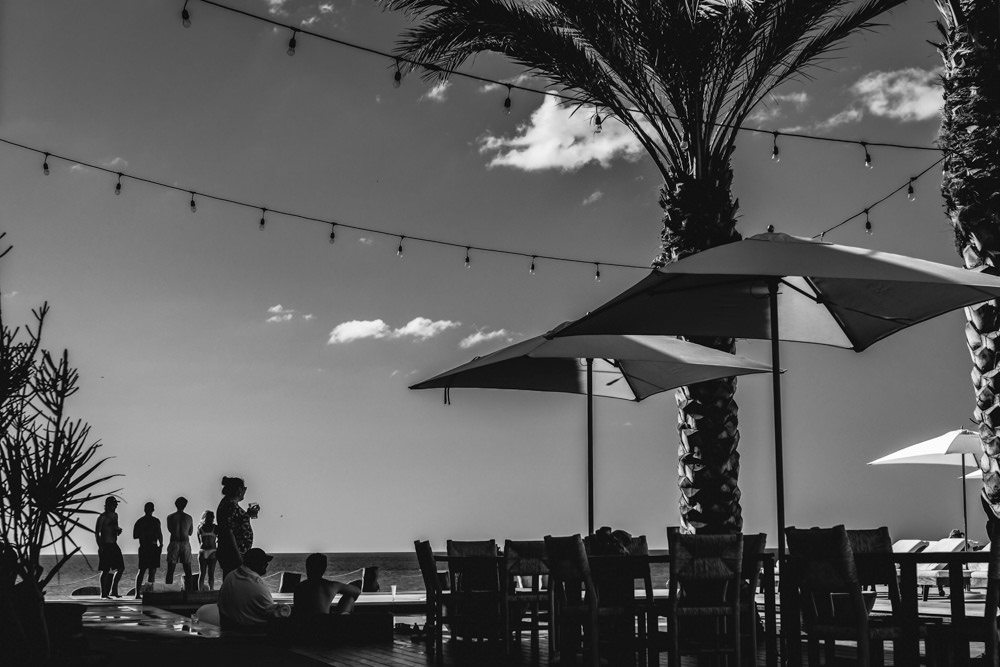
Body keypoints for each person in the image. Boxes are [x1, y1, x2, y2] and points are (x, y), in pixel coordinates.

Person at [217, 547, 290, 631]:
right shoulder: (256, 584)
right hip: (250, 631)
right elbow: (272, 612)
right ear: (256, 563)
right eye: (264, 562)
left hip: (229, 627)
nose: (266, 564)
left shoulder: (230, 576)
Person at [216, 476, 259, 579]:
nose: (245, 491)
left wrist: (248, 514)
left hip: (234, 552)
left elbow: (234, 522)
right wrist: (238, 555)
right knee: (234, 581)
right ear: (239, 489)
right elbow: (228, 531)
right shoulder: (230, 505)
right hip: (233, 554)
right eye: (244, 488)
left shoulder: (228, 504)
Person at [292, 553, 361, 617]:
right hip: (326, 625)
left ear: (307, 567)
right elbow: (357, 591)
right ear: (324, 569)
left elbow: (297, 611)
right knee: (349, 598)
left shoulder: (299, 587)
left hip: (303, 626)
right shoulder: (330, 585)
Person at [95, 496, 124, 599]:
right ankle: (103, 593)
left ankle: (113, 590)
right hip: (105, 544)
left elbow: (114, 528)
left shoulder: (115, 515)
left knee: (120, 568)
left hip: (114, 544)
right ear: (109, 505)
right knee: (105, 569)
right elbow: (97, 532)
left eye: (116, 504)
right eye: (114, 504)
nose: (116, 505)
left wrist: (118, 530)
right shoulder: (102, 517)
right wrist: (100, 546)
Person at [132, 502, 163, 598]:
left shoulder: (140, 521)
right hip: (151, 546)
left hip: (145, 547)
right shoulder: (155, 521)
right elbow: (160, 534)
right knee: (150, 571)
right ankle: (148, 592)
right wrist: (161, 545)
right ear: (153, 510)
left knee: (143, 571)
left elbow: (135, 535)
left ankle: (139, 593)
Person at [165, 497, 194, 590]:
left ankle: (169, 590)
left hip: (174, 542)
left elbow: (170, 529)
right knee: (188, 570)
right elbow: (190, 532)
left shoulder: (170, 517)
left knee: (170, 570)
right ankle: (189, 592)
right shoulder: (189, 517)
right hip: (185, 543)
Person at [197, 510, 218, 591]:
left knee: (202, 574)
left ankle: (200, 591)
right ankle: (211, 590)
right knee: (211, 574)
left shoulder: (200, 527)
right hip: (212, 550)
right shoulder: (215, 527)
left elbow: (199, 541)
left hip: (202, 550)